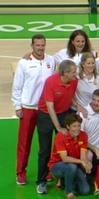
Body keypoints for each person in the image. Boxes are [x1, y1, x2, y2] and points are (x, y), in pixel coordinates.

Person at [11, 34, 55, 185]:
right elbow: (17, 86)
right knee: (24, 143)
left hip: (45, 109)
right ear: (32, 46)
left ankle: (46, 171)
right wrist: (17, 106)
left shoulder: (51, 60)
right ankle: (20, 172)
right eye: (37, 45)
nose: (40, 48)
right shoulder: (24, 63)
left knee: (46, 143)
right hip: (28, 108)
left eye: (43, 45)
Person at [36, 60, 78, 194]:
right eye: (72, 72)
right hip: (46, 115)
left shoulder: (74, 81)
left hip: (63, 113)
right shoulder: (51, 82)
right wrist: (59, 127)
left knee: (66, 147)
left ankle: (61, 178)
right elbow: (50, 106)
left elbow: (72, 98)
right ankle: (41, 182)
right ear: (65, 73)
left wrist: (80, 107)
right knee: (45, 149)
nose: (75, 74)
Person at [48, 113, 91, 199]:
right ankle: (69, 192)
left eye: (79, 125)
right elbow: (65, 158)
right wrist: (81, 162)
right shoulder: (60, 136)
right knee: (72, 167)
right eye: (74, 126)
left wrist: (87, 163)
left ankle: (64, 181)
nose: (77, 128)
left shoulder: (83, 135)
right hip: (57, 166)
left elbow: (83, 156)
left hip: (74, 165)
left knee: (85, 191)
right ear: (68, 126)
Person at [80, 89, 99, 172]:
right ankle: (85, 177)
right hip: (83, 148)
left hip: (98, 149)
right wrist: (95, 149)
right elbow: (79, 138)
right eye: (94, 99)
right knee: (89, 155)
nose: (95, 103)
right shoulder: (83, 113)